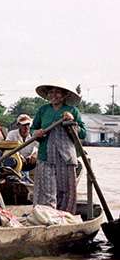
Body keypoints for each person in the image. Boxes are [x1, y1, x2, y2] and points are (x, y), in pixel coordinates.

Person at [31, 81, 86, 214]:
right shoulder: (43, 110)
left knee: (65, 190)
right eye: (51, 92)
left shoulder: (72, 111)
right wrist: (36, 133)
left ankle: (63, 216)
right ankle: (46, 216)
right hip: (45, 155)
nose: (53, 95)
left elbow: (83, 133)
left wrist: (72, 121)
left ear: (64, 95)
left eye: (57, 92)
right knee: (46, 190)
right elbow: (33, 129)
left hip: (65, 157)